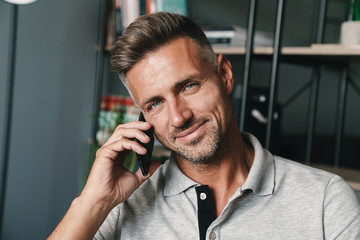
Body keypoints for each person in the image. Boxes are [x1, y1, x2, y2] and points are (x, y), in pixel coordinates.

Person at [48, 12, 360, 240]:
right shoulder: (119, 208)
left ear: (224, 75)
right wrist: (93, 202)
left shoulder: (325, 201)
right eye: (155, 104)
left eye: (188, 86)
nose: (178, 117)